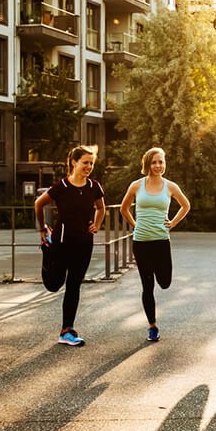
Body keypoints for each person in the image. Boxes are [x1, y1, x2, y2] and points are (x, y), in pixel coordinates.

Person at [33, 145, 105, 346]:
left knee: (74, 285)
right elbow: (39, 204)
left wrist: (97, 225)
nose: (89, 167)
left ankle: (67, 330)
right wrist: (41, 230)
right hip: (61, 244)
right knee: (54, 284)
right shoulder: (61, 187)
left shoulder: (94, 187)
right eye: (85, 163)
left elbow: (101, 208)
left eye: (91, 163)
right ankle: (46, 255)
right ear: (74, 162)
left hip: (83, 245)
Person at [120, 148, 191, 342]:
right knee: (147, 285)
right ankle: (152, 326)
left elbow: (186, 205)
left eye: (161, 162)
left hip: (161, 240)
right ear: (147, 164)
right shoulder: (136, 185)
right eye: (154, 162)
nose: (158, 166)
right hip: (141, 241)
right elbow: (123, 208)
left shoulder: (170, 186)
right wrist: (135, 225)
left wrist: (173, 223)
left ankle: (160, 281)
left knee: (165, 282)